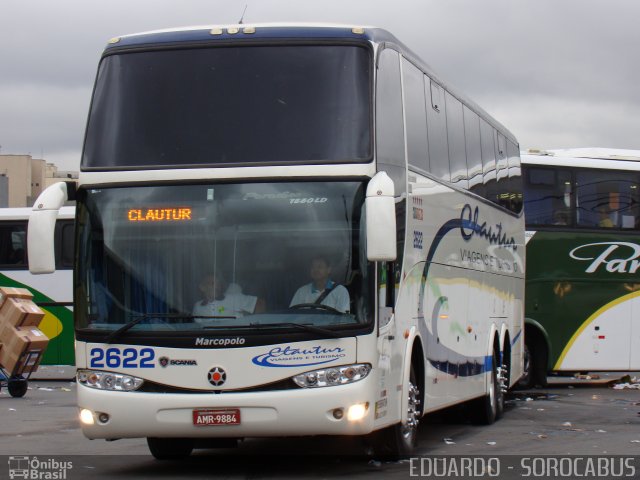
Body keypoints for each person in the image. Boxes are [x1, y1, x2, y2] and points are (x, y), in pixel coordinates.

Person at [193, 274, 264, 321]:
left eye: (218, 283)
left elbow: (261, 304)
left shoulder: (234, 298)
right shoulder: (198, 307)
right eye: (212, 283)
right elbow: (199, 329)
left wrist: (249, 319)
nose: (217, 286)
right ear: (202, 287)